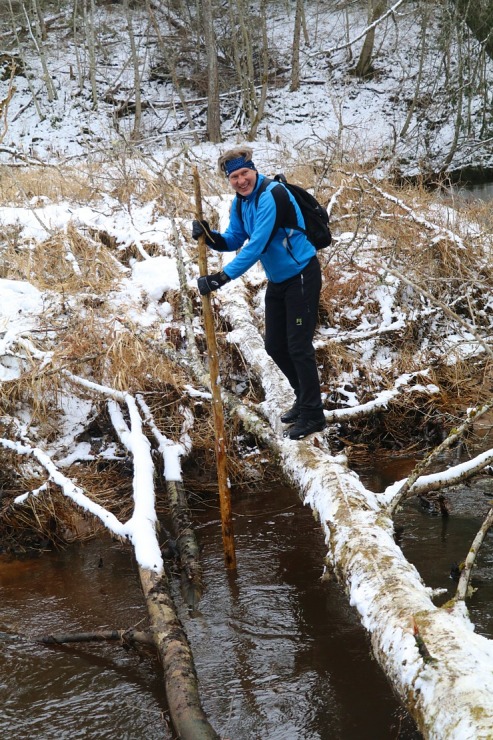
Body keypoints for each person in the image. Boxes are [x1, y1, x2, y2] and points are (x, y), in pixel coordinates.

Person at [192, 146, 326, 441]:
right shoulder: (240, 204)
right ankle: (303, 401)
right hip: (279, 281)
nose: (241, 181)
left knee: (299, 347)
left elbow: (257, 246)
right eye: (234, 177)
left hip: (302, 275)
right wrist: (209, 236)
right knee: (275, 346)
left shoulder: (272, 195)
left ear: (254, 169)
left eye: (244, 173)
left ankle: (314, 415)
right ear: (228, 180)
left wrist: (220, 278)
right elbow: (234, 239)